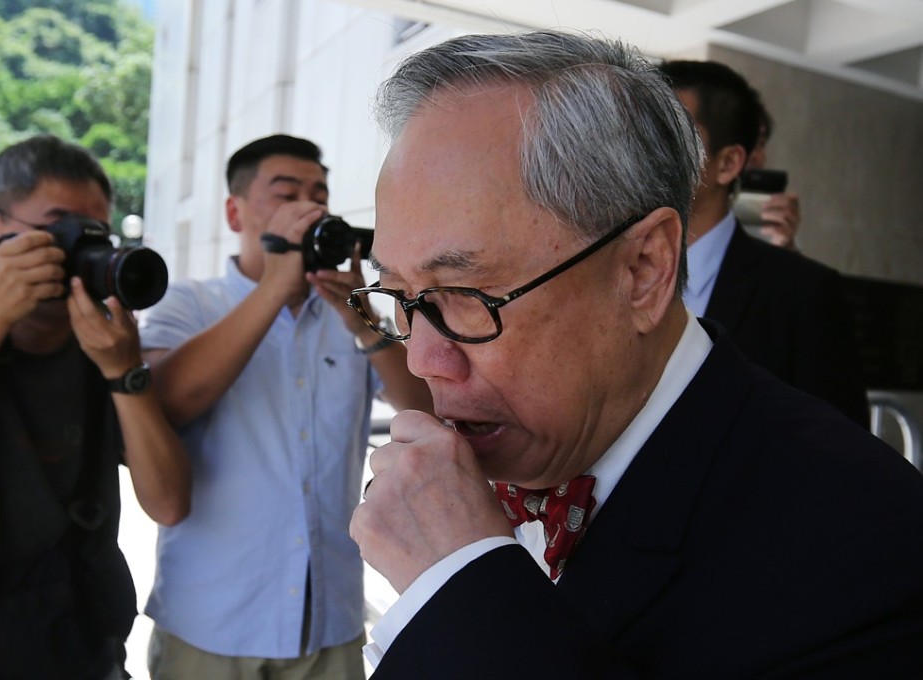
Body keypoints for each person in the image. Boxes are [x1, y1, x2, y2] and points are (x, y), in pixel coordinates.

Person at [348, 30, 923, 678]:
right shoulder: (520, 449)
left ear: (643, 271)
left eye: (465, 294)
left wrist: (459, 585)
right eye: (398, 296)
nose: (423, 360)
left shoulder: (866, 548)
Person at [138, 134, 433, 679]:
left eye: (319, 195)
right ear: (235, 212)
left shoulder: (350, 315)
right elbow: (167, 404)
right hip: (210, 621)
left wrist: (363, 321)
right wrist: (275, 287)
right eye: (286, 193)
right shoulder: (190, 304)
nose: (309, 209)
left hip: (329, 620)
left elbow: (425, 408)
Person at [0, 134, 191, 679]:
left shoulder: (101, 343)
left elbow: (169, 504)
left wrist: (124, 370)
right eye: (60, 231)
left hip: (76, 642)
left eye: (96, 234)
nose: (81, 253)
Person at [658, 59, 869, 428]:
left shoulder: (803, 293)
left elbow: (838, 443)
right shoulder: (608, 271)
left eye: (669, 133)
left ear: (728, 164)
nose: (645, 152)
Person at [745, 88, 802, 249]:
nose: (754, 154)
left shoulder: (774, 216)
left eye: (760, 143)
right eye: (745, 141)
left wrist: (785, 245)